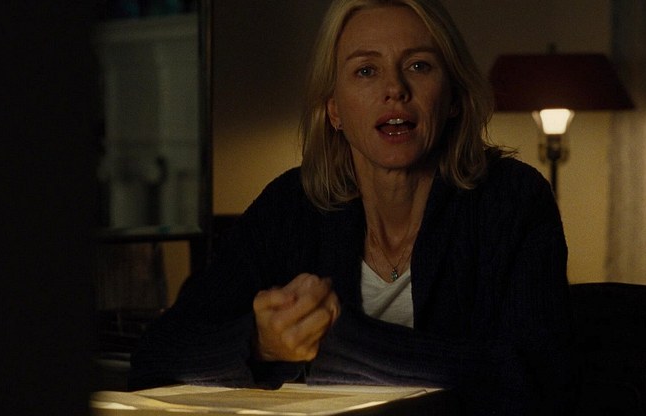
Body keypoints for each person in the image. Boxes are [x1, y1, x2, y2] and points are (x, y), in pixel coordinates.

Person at [129, 0, 577, 414]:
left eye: (419, 66)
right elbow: (156, 354)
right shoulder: (291, 205)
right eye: (366, 71)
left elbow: (538, 381)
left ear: (455, 98)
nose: (395, 89)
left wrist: (343, 341)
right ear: (334, 110)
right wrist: (258, 344)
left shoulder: (512, 199)